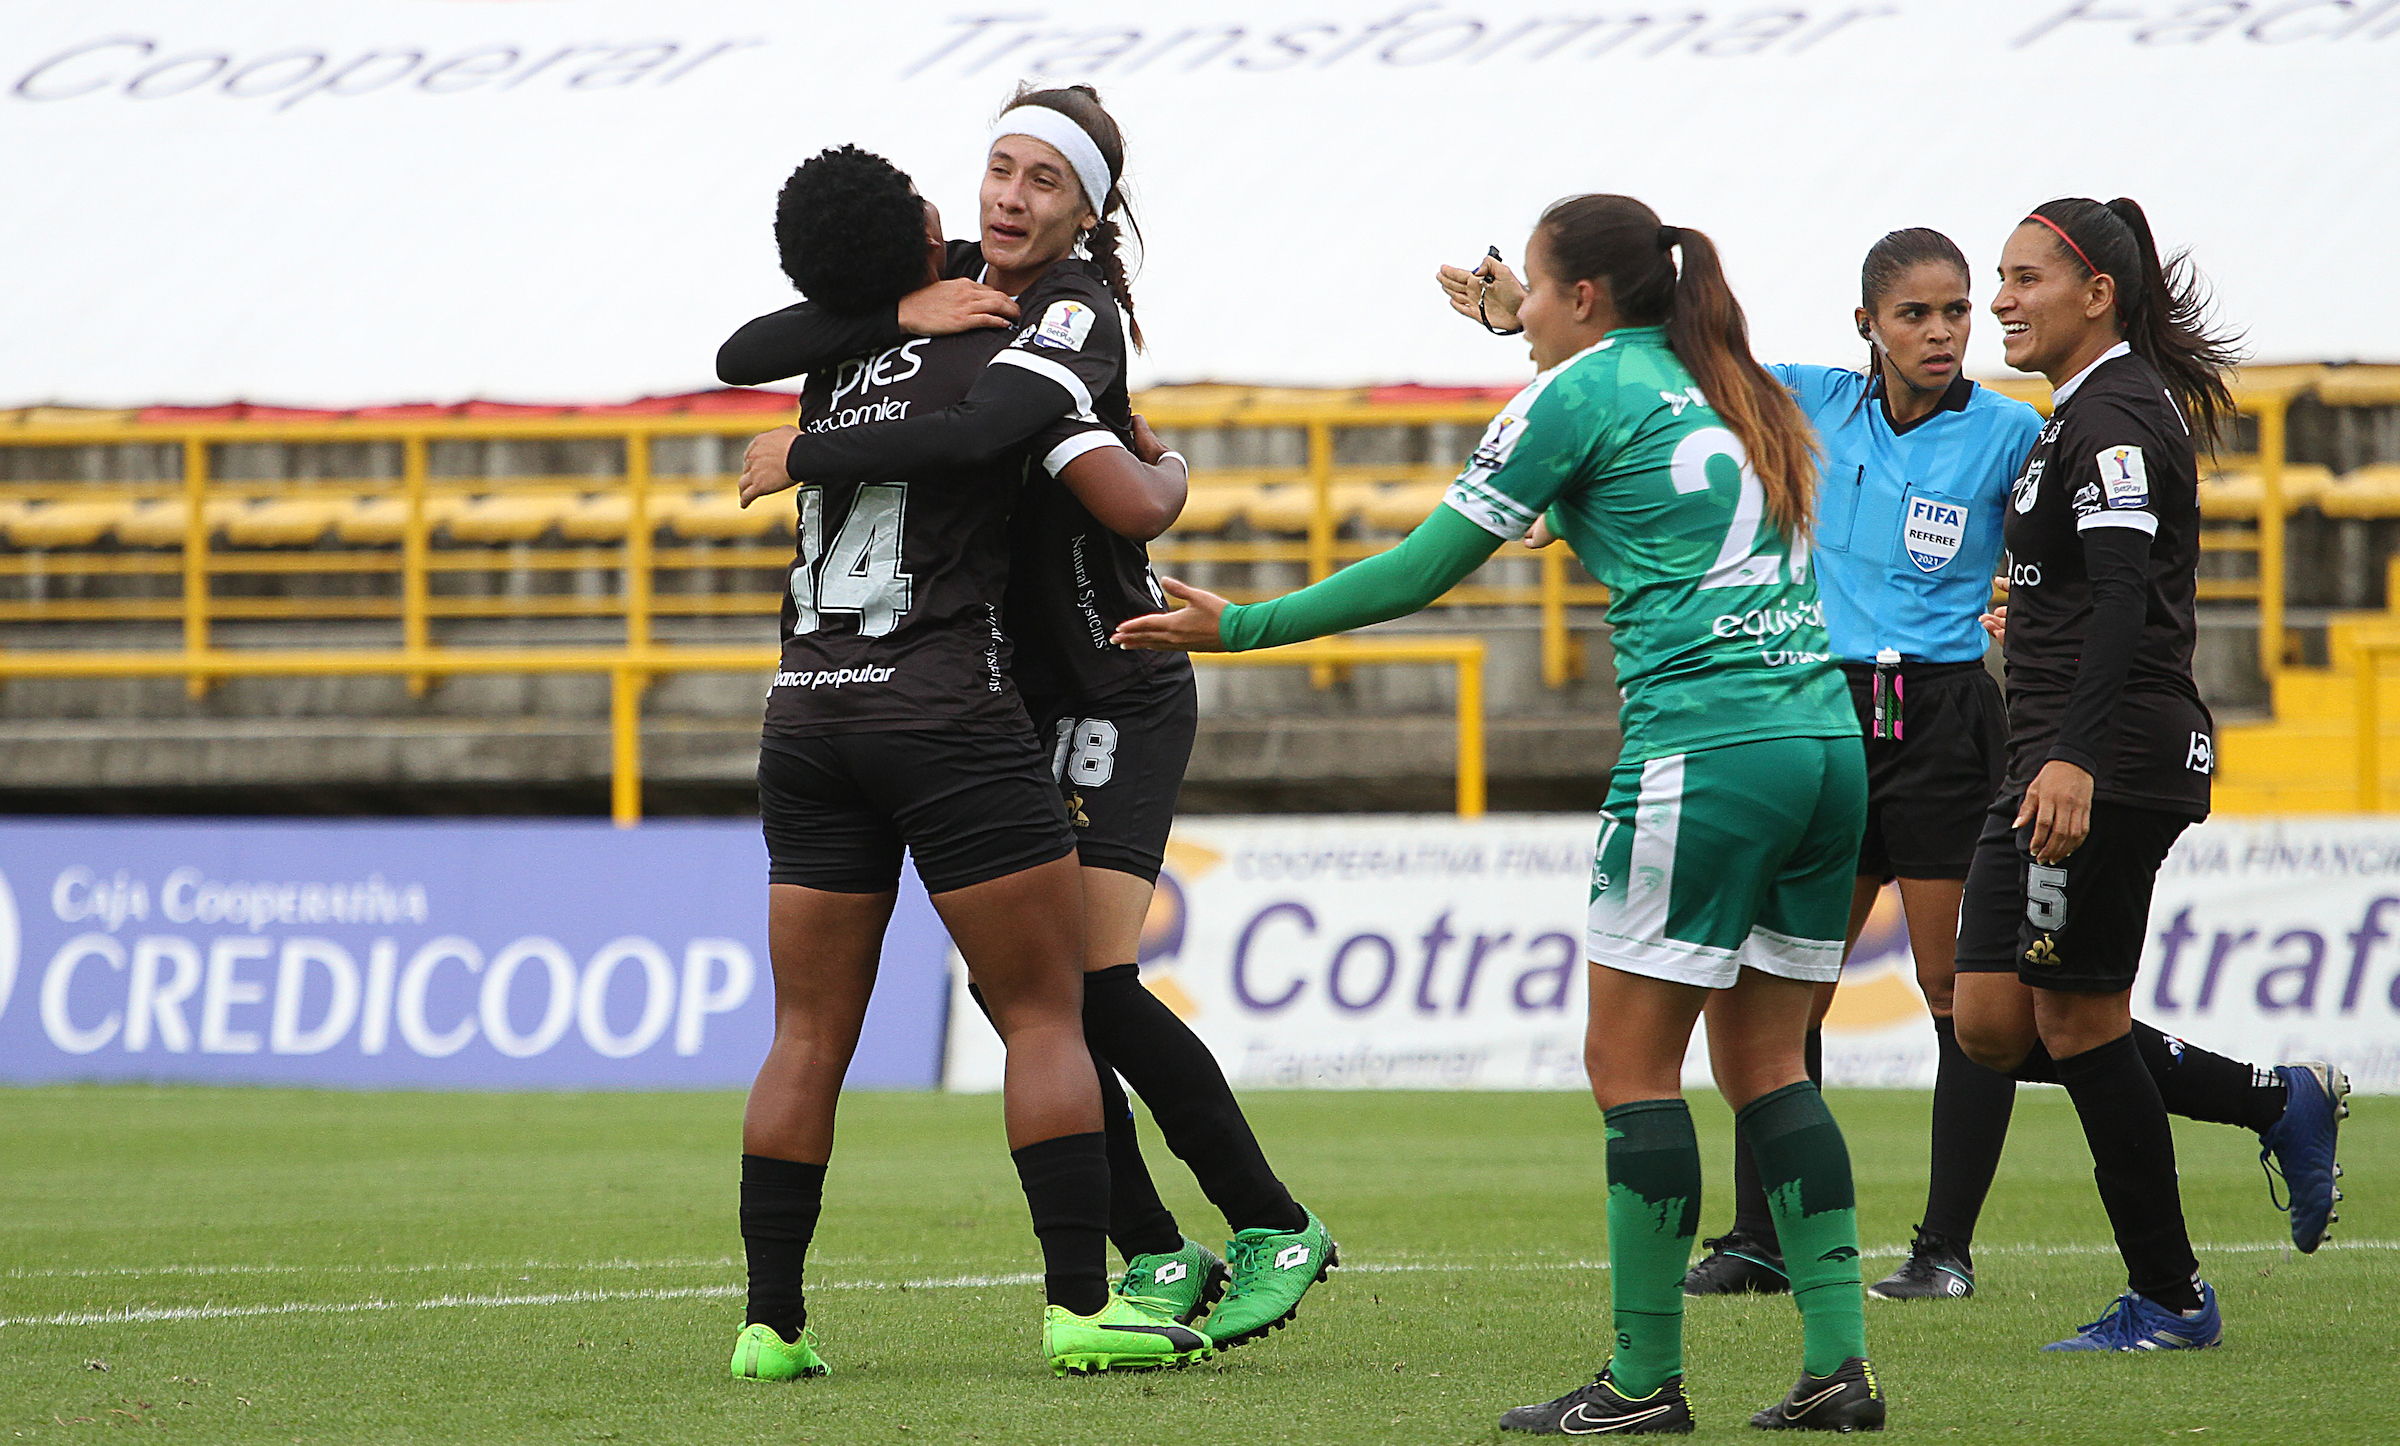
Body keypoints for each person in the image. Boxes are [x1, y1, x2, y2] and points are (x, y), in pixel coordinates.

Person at [1119, 194, 1886, 1434]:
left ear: (1583, 297)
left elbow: (1427, 566)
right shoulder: (1735, 380)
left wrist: (1243, 625)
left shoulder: (1574, 395)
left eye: (1529, 287)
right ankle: (1839, 1368)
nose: (1513, 307)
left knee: (1627, 1066)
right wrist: (1522, 331)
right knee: (1766, 1066)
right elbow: (1624, 439)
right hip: (1824, 741)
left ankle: (1643, 1385)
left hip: (1708, 750)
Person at [727, 85, 1334, 1356]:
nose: (1008, 197)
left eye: (1041, 181)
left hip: (1111, 676)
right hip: (997, 692)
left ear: (1088, 210)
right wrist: (897, 308)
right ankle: (1155, 1257)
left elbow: (1114, 494)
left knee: (1080, 986)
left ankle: (1268, 1220)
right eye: (998, 169)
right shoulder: (942, 290)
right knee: (1034, 1000)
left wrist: (1167, 472)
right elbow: (751, 344)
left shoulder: (1071, 315)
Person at [1948, 196, 2345, 1353]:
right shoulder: (2069, 416)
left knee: (2073, 1024)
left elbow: (2126, 596)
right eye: (2000, 280)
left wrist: (2071, 752)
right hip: (2049, 757)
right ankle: (2275, 1100)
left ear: (2097, 295)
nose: (2002, 302)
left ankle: (2171, 1299)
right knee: (1988, 1023)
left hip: (2105, 760)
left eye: (2024, 279)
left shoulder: (2118, 414)